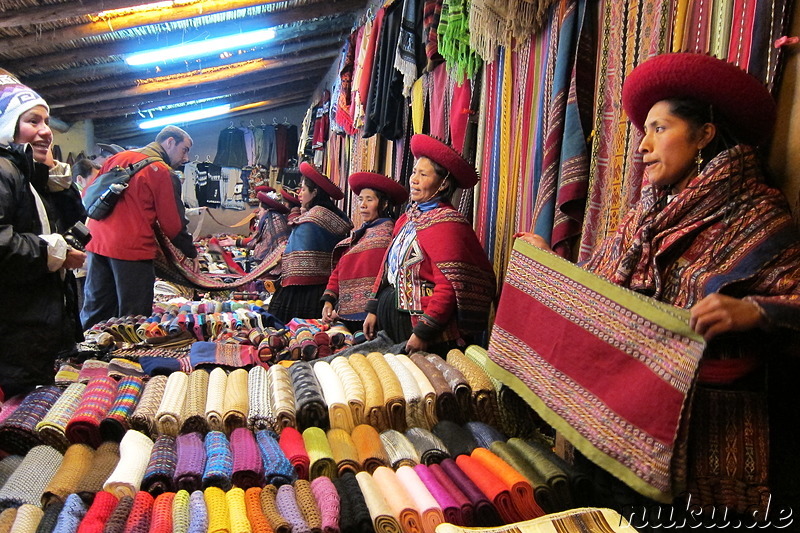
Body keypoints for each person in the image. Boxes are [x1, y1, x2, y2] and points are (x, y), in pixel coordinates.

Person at [520, 53, 800, 523]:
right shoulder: (644, 215)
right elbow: (599, 290)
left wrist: (753, 311)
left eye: (659, 129)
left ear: (705, 135)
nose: (642, 146)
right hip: (620, 419)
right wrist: (546, 263)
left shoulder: (757, 213)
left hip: (702, 437)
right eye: (642, 132)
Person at [363, 135, 497, 354]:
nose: (413, 179)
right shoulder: (407, 219)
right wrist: (374, 308)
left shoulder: (448, 224)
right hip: (392, 317)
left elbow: (448, 286)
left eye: (423, 174)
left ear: (443, 183)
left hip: (418, 328)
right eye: (414, 171)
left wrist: (424, 331)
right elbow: (389, 267)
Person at [0, 72, 87, 397]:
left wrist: (56, 181)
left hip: (34, 327)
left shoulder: (25, 174)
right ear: (8, 125)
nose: (46, 131)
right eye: (33, 121)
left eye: (46, 122)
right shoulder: (3, 171)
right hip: (14, 331)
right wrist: (54, 252)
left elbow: (75, 222)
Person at [80, 125, 198, 329]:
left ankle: (84, 357)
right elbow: (173, 225)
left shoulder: (118, 158)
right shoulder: (162, 171)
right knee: (133, 318)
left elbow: (88, 194)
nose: (185, 158)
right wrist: (190, 252)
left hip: (97, 243)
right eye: (184, 149)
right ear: (170, 142)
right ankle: (125, 360)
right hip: (131, 249)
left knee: (96, 309)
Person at [321, 172, 408, 331]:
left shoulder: (389, 235)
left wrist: (373, 308)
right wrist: (329, 299)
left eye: (370, 199)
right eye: (360, 199)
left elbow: (386, 277)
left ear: (384, 204)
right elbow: (341, 268)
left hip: (374, 317)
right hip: (345, 315)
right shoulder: (361, 234)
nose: (363, 205)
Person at [268, 162, 352, 323]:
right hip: (324, 289)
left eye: (304, 189)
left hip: (301, 293)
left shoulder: (310, 222)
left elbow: (296, 264)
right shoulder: (329, 216)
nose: (299, 193)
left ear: (314, 193)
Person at [219, 186, 290, 271]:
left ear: (266, 210)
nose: (258, 213)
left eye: (260, 210)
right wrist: (234, 242)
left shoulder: (270, 220)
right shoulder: (275, 218)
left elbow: (256, 244)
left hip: (274, 269)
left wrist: (234, 242)